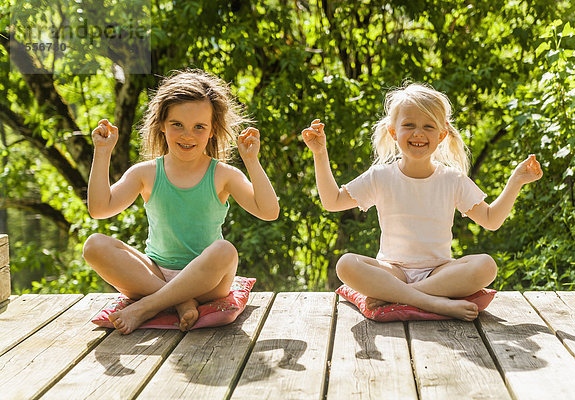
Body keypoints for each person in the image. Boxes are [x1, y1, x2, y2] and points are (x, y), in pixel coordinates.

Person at [302, 82, 542, 321]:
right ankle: (433, 303)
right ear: (394, 132)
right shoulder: (380, 176)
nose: (418, 133)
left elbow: (491, 220)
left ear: (441, 135)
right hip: (392, 272)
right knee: (345, 264)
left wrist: (517, 180)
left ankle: (403, 297)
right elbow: (332, 201)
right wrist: (319, 153)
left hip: (439, 273)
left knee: (487, 265)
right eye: (409, 125)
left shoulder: (452, 179)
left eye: (428, 126)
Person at [83, 70, 279, 334]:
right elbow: (99, 209)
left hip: (207, 284)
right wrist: (102, 152)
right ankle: (178, 301)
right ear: (162, 125)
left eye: (199, 127)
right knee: (94, 245)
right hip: (153, 276)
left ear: (212, 131)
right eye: (177, 124)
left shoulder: (222, 174)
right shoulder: (146, 172)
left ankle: (148, 306)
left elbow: (269, 211)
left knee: (225, 251)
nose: (187, 135)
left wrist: (252, 161)